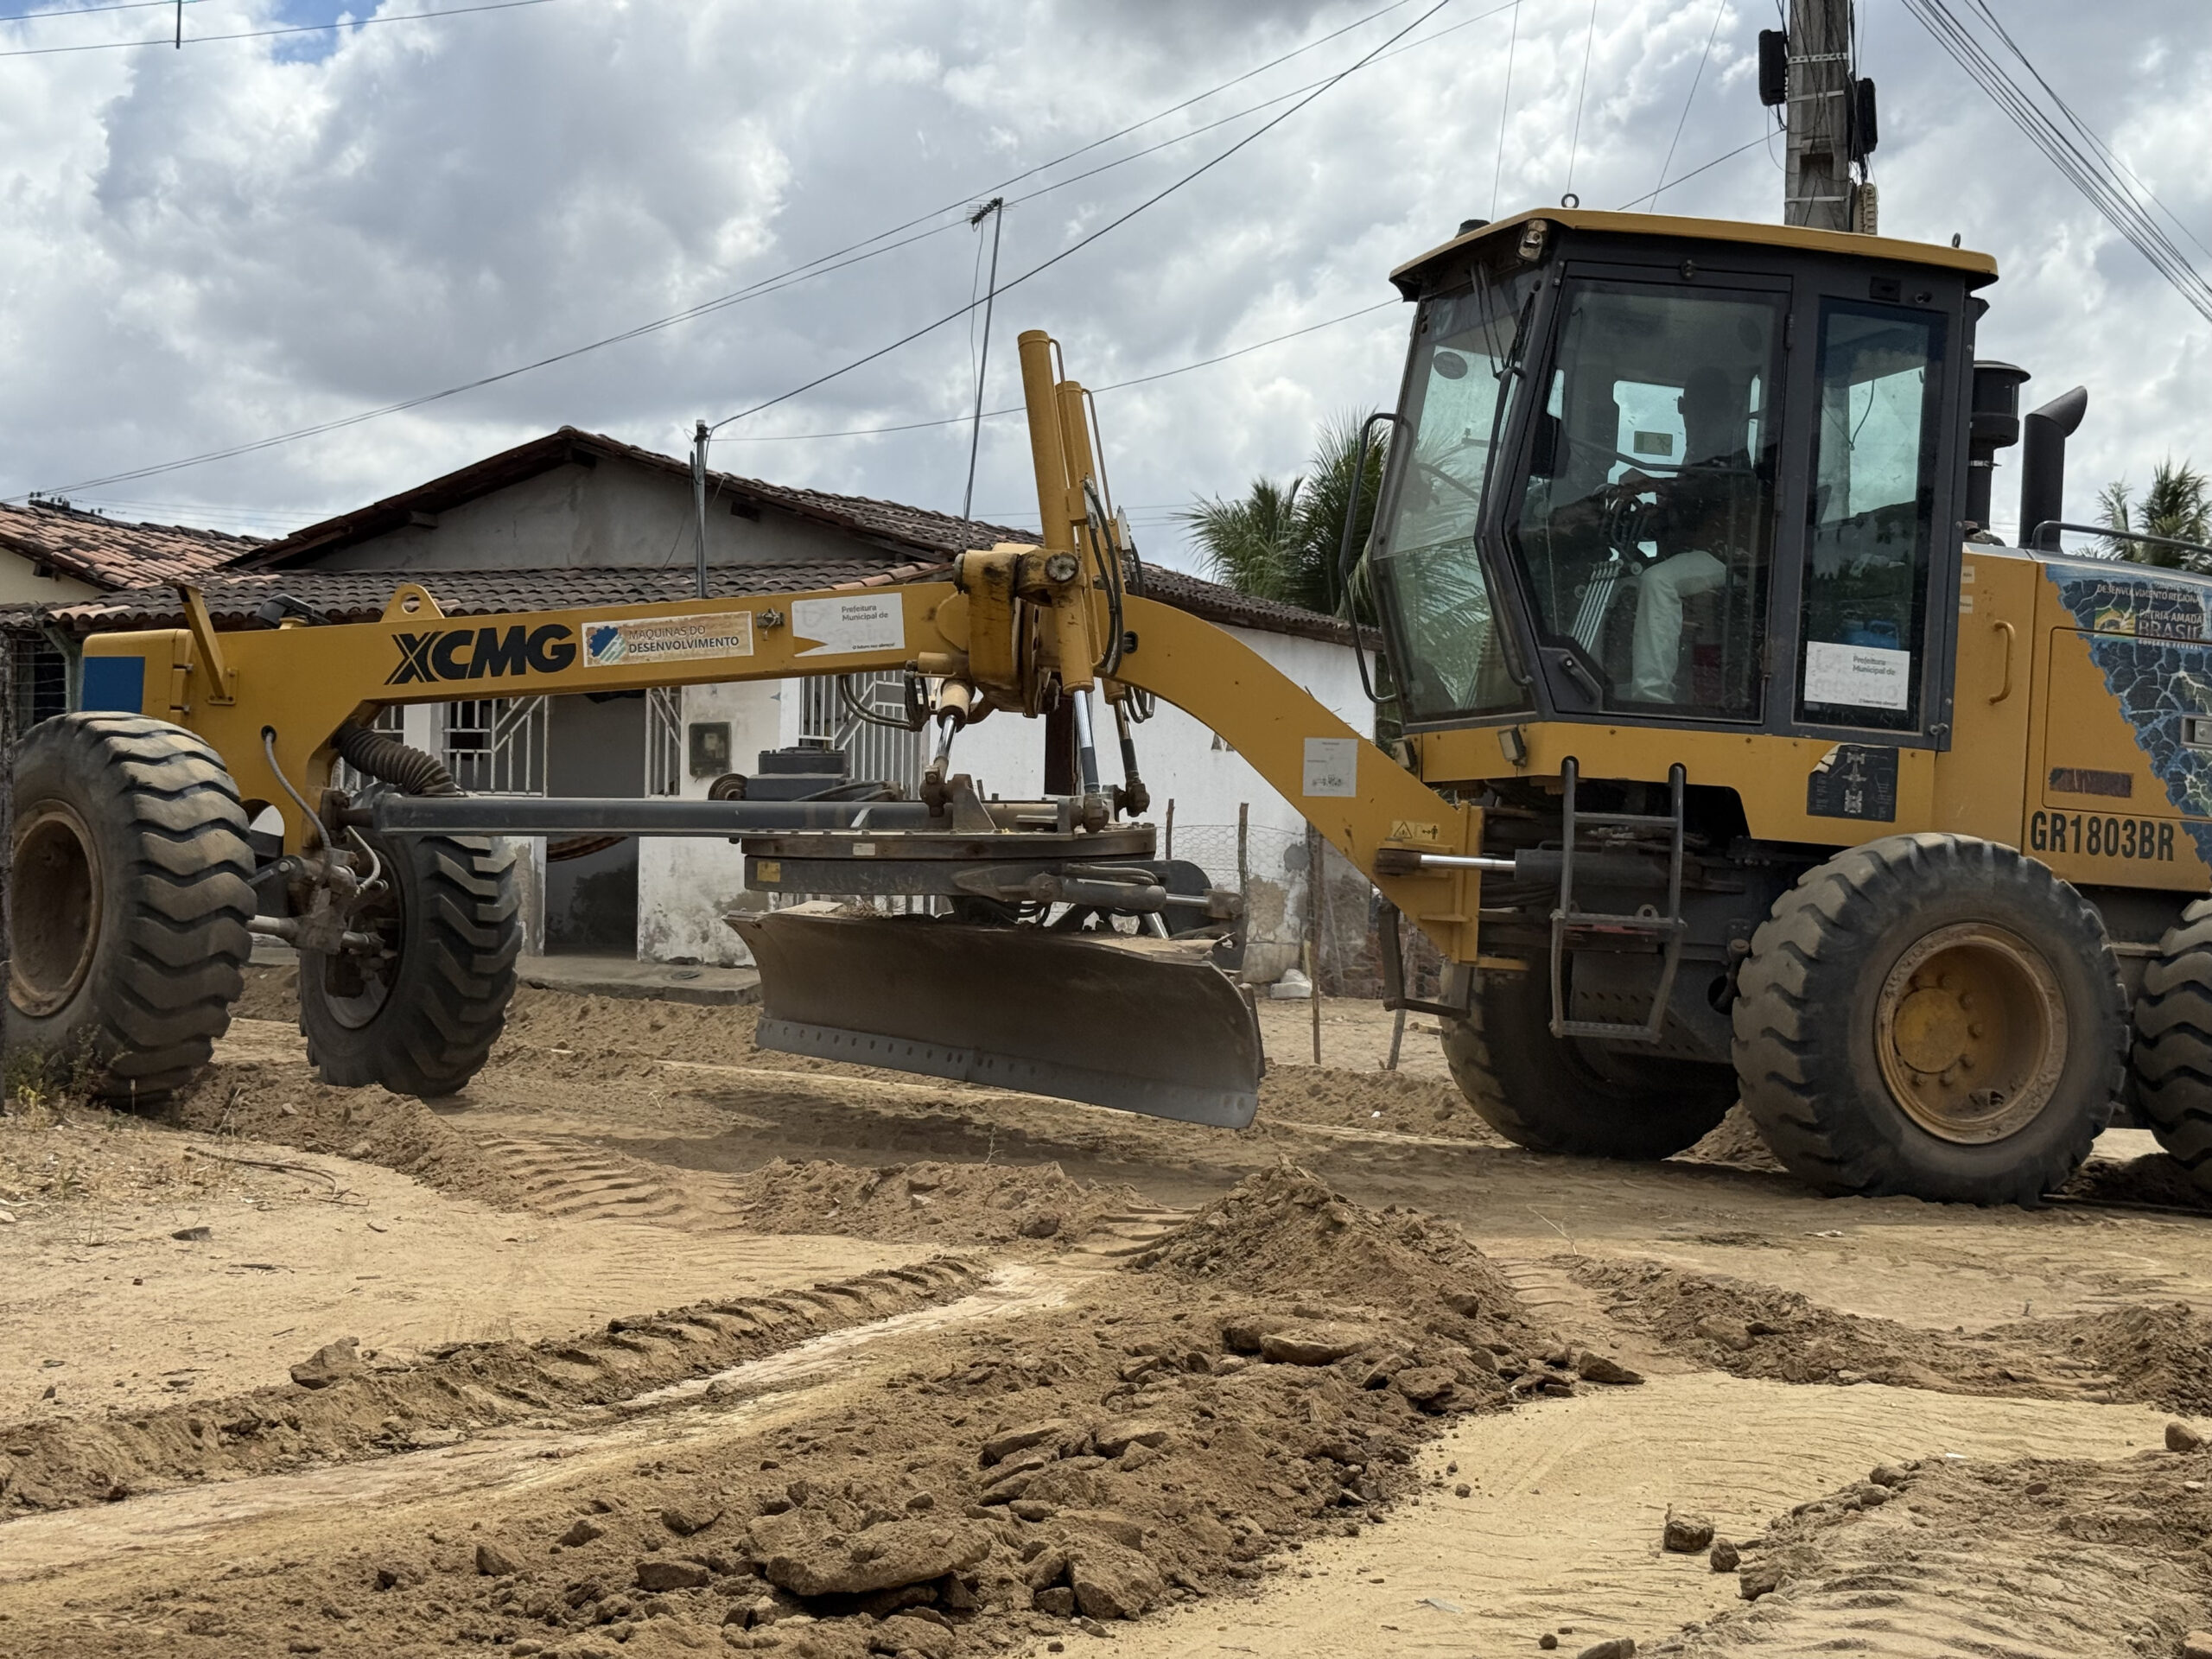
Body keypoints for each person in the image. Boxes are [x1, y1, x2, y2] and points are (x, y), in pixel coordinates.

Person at [1624, 367, 1750, 703]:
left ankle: (1651, 697)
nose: (1693, 416)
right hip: (1703, 548)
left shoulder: (1727, 444)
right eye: (1691, 408)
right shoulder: (1696, 447)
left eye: (1703, 407)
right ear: (1681, 406)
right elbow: (1689, 506)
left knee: (1658, 581)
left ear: (1723, 408)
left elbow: (1712, 490)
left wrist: (1653, 484)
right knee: (1627, 580)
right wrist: (1650, 514)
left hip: (1731, 553)